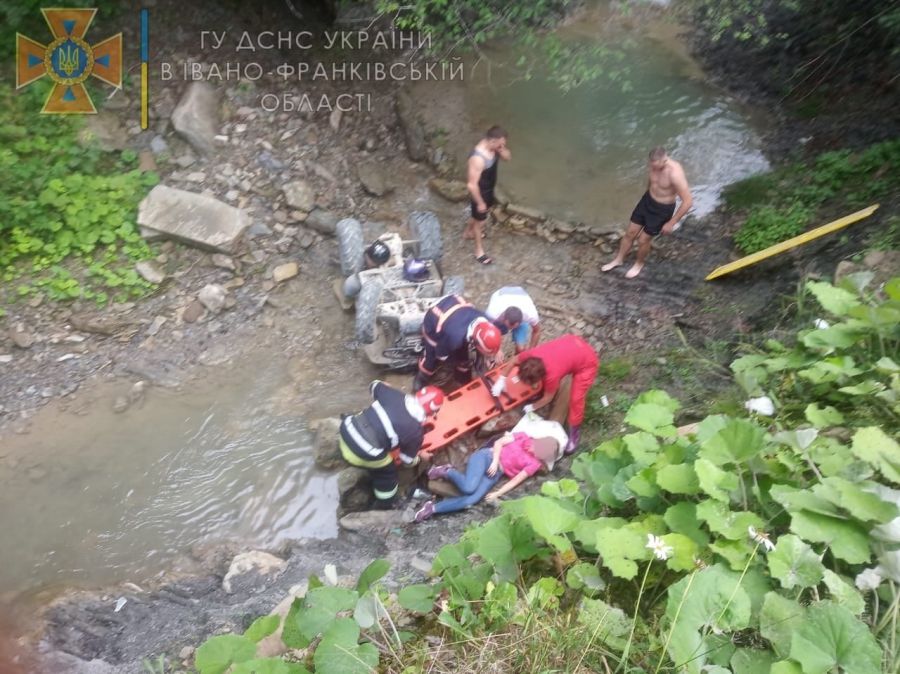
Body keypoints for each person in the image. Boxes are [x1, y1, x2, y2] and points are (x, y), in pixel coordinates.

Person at [414, 416, 568, 522]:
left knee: (472, 499)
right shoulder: (523, 437)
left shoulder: (534, 464)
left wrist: (497, 493)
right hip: (487, 457)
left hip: (495, 474)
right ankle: (446, 471)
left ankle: (432, 508)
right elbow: (499, 443)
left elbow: (515, 480)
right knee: (469, 487)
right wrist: (494, 460)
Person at [340, 381, 444, 509]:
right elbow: (407, 461)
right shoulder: (415, 432)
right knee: (388, 471)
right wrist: (421, 456)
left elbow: (373, 385)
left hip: (346, 429)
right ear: (432, 413)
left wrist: (385, 385)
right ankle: (386, 502)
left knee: (366, 416)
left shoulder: (394, 394)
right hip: (362, 451)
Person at [492, 334, 599, 454]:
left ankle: (574, 433)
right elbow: (513, 361)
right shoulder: (529, 355)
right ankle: (545, 386)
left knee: (575, 400)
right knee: (560, 374)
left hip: (587, 362)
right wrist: (501, 380)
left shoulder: (552, 376)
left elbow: (548, 397)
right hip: (572, 343)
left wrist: (533, 407)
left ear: (541, 378)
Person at [601, 147, 693, 279]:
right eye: (652, 166)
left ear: (664, 161)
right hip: (647, 201)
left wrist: (671, 223)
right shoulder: (653, 165)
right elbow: (652, 182)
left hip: (662, 209)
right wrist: (647, 194)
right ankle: (618, 259)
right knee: (630, 233)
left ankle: (639, 264)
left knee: (643, 239)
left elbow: (688, 201)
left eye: (657, 167)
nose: (654, 169)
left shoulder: (674, 173)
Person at [413, 294, 502, 389]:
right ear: (476, 342)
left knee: (464, 360)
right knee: (431, 358)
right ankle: (421, 379)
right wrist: (454, 360)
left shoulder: (486, 321)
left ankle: (462, 380)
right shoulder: (453, 338)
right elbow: (441, 354)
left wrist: (496, 351)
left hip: (455, 311)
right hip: (434, 321)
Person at [464, 125, 511, 265]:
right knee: (480, 222)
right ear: (491, 141)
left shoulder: (495, 148)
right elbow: (471, 185)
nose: (502, 146)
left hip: (490, 188)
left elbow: (508, 158)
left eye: (504, 144)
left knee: (478, 216)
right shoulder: (478, 158)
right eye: (500, 144)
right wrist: (480, 202)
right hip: (479, 192)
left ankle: (468, 233)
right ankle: (479, 251)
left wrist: (502, 150)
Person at [486, 286, 541, 353]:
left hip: (521, 297)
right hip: (501, 295)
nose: (510, 329)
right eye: (508, 327)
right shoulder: (493, 313)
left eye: (513, 327)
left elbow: (537, 331)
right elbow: (487, 331)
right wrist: (497, 350)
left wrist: (531, 352)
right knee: (491, 348)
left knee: (520, 349)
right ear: (503, 318)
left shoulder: (531, 314)